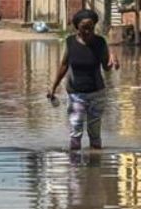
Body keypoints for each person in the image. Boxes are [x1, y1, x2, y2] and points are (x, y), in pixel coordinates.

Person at [47, 8, 117, 151]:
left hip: (97, 93)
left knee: (95, 132)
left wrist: (112, 61)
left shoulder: (100, 42)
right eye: (84, 28)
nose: (88, 32)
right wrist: (53, 86)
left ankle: (95, 166)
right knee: (76, 126)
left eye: (91, 28)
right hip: (76, 93)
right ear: (77, 27)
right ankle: (74, 166)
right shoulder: (70, 42)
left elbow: (106, 67)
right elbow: (64, 65)